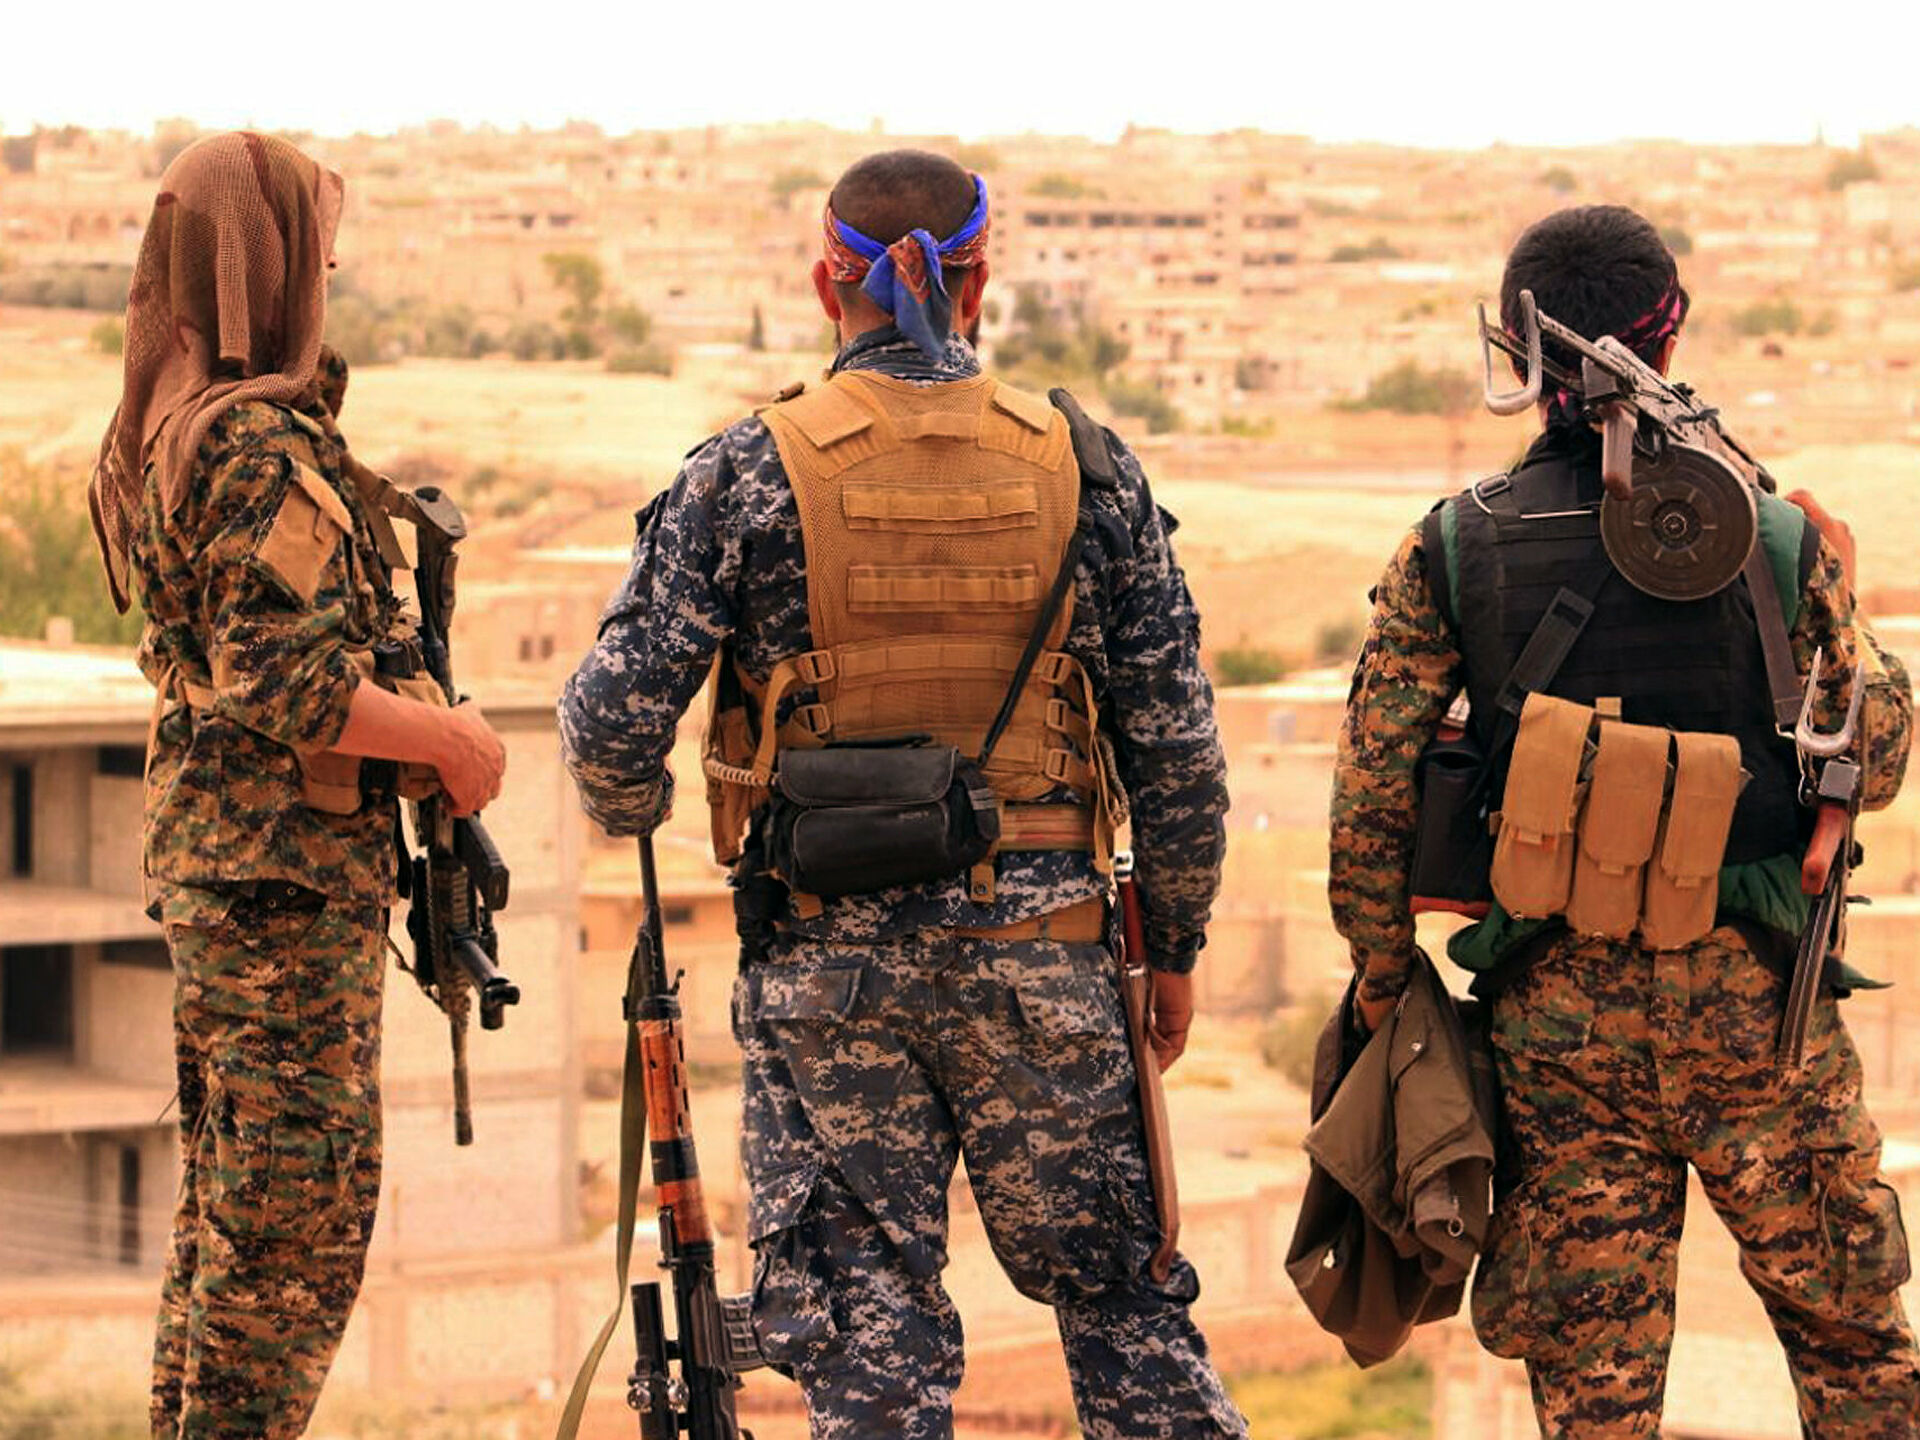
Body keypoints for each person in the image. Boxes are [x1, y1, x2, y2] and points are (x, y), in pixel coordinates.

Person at [560, 149, 1247, 1439]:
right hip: (1049, 966)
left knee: (867, 1355)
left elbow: (609, 733)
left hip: (828, 978)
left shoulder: (744, 473)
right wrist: (1174, 946)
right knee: (1127, 1315)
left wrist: (644, 806)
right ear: (980, 283)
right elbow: (1179, 754)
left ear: (827, 284)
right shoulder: (1089, 469)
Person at [1329, 203, 1920, 1437]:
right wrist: (1842, 588)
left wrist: (1385, 985)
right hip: (1763, 1016)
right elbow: (1877, 753)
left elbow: (1372, 796)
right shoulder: (1775, 536)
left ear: (1517, 351)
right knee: (1857, 1356)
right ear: (1670, 336)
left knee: (1594, 1397)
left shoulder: (1455, 545)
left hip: (1560, 1025)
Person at [90, 131, 506, 1438]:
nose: (328, 274)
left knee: (230, 1219)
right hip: (280, 892)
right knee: (291, 1235)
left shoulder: (173, 424)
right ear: (257, 264)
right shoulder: (258, 443)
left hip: (232, 878)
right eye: (315, 251)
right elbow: (281, 679)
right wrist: (449, 745)